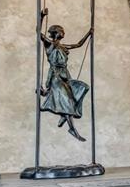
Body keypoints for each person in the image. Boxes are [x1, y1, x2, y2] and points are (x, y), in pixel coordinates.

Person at [38, 9, 91, 142]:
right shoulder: (49, 44)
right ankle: (72, 128)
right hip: (55, 76)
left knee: (83, 88)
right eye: (61, 31)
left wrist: (89, 33)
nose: (63, 33)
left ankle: (62, 112)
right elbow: (38, 32)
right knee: (67, 101)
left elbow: (78, 44)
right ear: (56, 33)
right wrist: (41, 16)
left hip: (65, 75)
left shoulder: (63, 46)